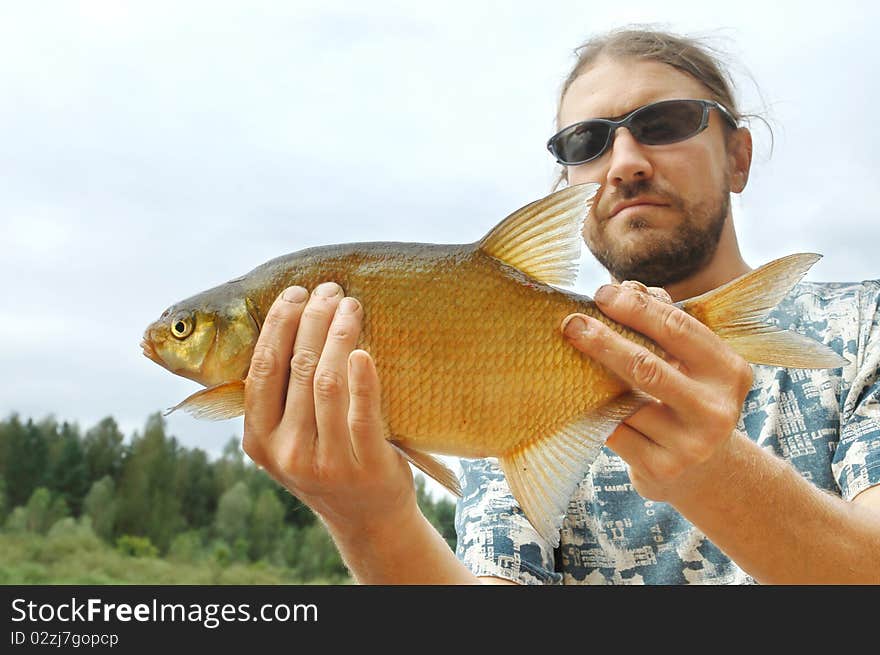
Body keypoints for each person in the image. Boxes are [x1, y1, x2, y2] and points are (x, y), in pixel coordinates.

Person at [240, 27, 880, 584]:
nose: (624, 163)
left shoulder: (863, 326)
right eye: (586, 143)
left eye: (663, 124)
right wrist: (370, 522)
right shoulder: (501, 378)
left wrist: (716, 475)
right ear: (567, 183)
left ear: (737, 156)